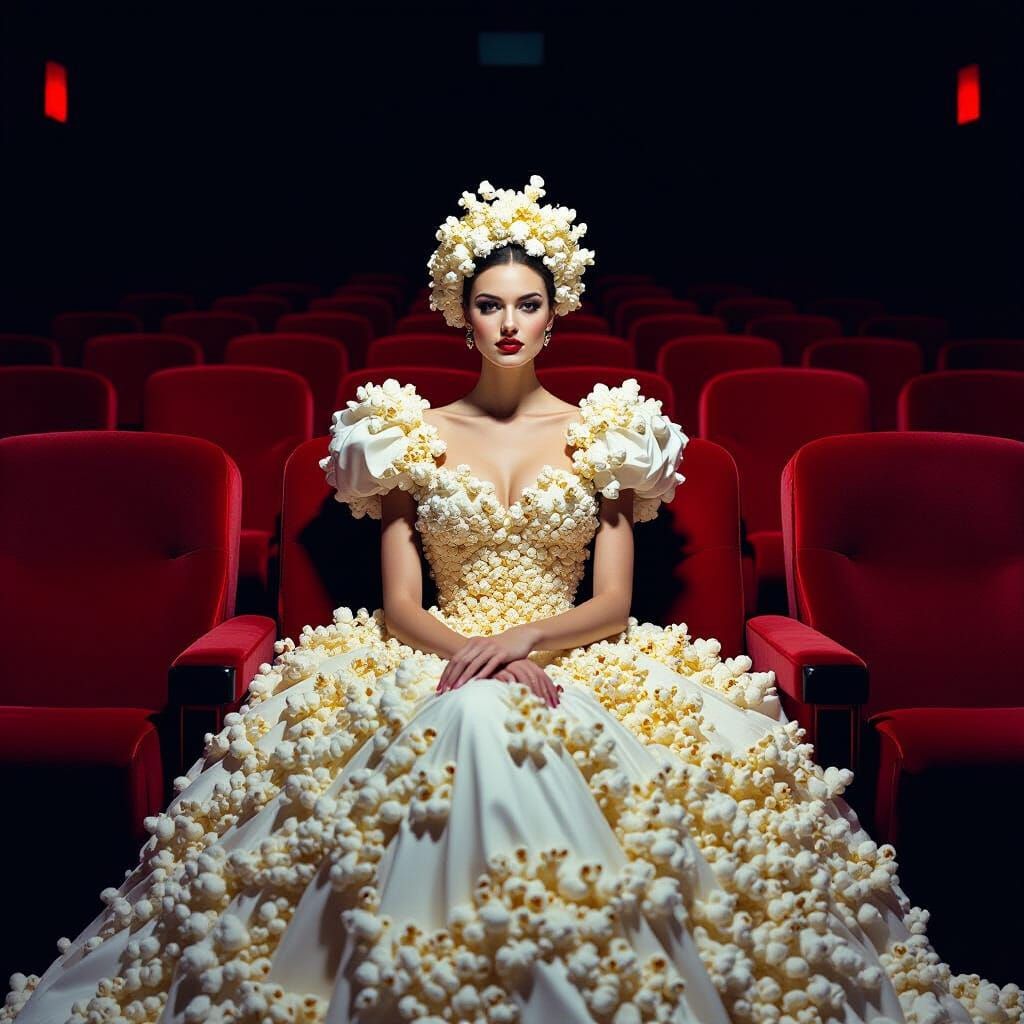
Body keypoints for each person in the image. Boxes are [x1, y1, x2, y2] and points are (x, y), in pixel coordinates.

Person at [4, 177, 1018, 1024]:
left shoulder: (607, 432)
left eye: (527, 304)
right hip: (432, 647)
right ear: (461, 310)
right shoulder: (404, 431)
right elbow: (400, 604)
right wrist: (469, 652)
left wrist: (523, 639)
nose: (508, 323)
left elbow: (612, 601)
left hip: (573, 649)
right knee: (467, 715)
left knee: (544, 732)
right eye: (489, 304)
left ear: (554, 310)